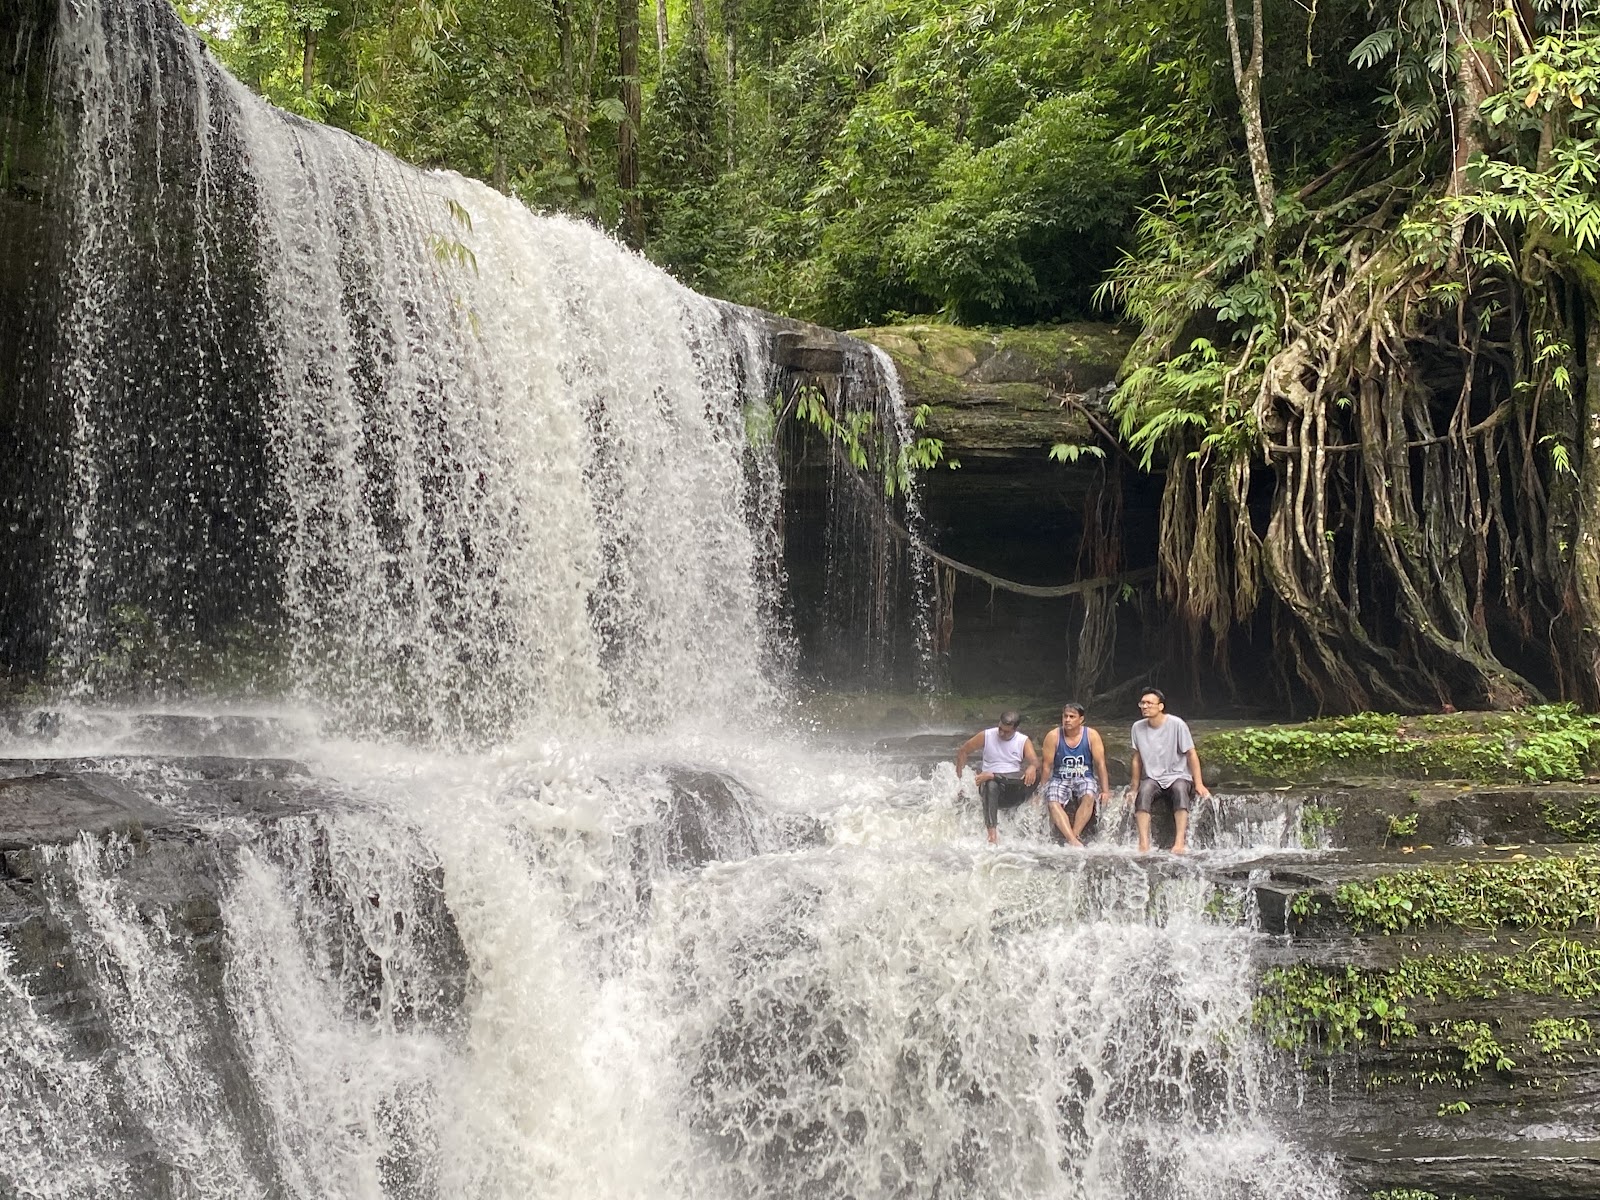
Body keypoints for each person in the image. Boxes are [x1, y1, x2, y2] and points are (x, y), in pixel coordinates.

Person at [1126, 688, 1210, 854]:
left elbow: (1191, 753)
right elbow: (1137, 758)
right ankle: (1144, 844)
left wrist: (1199, 784)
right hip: (1153, 777)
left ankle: (1179, 843)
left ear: (1161, 706)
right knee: (1144, 792)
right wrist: (1133, 788)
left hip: (1178, 774)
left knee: (1180, 790)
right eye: (1142, 703)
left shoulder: (1177, 724)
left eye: (1149, 703)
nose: (1145, 706)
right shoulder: (1137, 727)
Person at [954, 710, 1040, 844]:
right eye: (1000, 729)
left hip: (1012, 786)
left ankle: (995, 777)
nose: (1001, 733)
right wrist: (959, 780)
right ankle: (992, 837)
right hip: (991, 788)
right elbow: (963, 751)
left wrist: (1032, 767)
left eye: (1006, 732)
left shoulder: (1023, 740)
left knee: (1035, 774)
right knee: (991, 784)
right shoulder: (987, 735)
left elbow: (1035, 761)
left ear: (1015, 729)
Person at [1038, 702, 1110, 847]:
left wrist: (1105, 791)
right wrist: (1041, 790)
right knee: (1052, 801)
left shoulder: (1091, 735)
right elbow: (1046, 766)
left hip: (1084, 776)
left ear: (1081, 719)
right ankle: (1071, 839)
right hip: (1060, 777)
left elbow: (1100, 763)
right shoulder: (1053, 736)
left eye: (1072, 717)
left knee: (1089, 795)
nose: (1067, 720)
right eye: (1065, 716)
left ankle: (1074, 835)